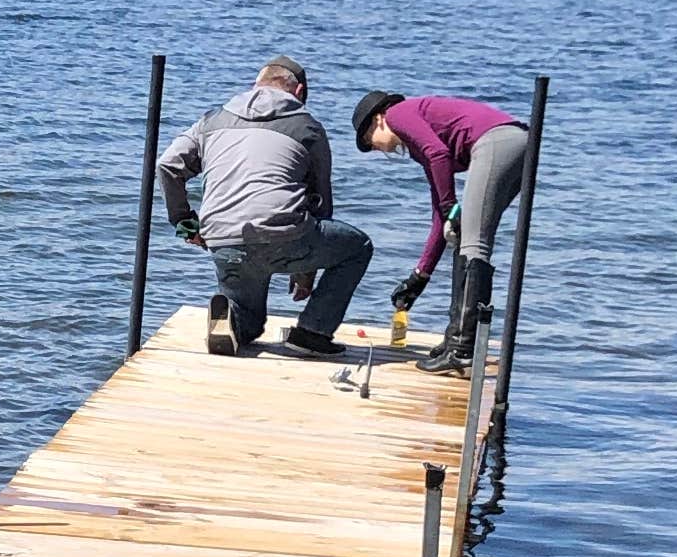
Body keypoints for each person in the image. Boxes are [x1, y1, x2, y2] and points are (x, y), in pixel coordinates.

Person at [158, 56, 373, 359]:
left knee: (250, 325)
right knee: (359, 247)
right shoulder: (308, 127)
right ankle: (312, 333)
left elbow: (168, 165)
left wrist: (186, 223)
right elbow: (320, 204)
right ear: (298, 92)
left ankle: (233, 322)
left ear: (255, 85)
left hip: (224, 241)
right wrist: (306, 269)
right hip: (287, 236)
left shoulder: (211, 120)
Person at [352, 90, 529, 374]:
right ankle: (455, 341)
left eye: (368, 141)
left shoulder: (399, 113)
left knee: (473, 243)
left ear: (378, 119)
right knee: (467, 238)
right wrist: (419, 276)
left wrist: (450, 206)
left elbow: (439, 154)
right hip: (516, 143)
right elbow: (439, 214)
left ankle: (461, 350)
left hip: (497, 141)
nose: (375, 149)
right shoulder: (420, 143)